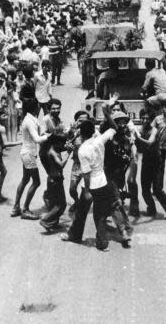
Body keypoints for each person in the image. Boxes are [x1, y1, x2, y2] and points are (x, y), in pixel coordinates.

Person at [61, 105, 132, 251]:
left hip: (90, 184)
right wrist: (107, 114)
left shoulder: (83, 150)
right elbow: (113, 128)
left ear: (81, 134)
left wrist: (87, 191)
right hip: (102, 181)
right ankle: (104, 242)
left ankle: (75, 235)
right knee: (102, 213)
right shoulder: (100, 140)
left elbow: (86, 173)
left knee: (82, 212)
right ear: (93, 131)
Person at [132, 108, 166, 220]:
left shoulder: (154, 130)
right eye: (143, 118)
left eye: (148, 118)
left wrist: (138, 138)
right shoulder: (138, 129)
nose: (145, 120)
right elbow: (136, 146)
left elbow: (150, 143)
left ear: (151, 119)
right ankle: (151, 209)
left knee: (157, 189)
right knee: (145, 190)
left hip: (156, 161)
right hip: (146, 161)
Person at [11, 98, 49, 219]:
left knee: (25, 179)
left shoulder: (30, 119)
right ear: (34, 108)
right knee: (36, 182)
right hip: (28, 154)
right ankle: (25, 209)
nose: (39, 108)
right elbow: (37, 139)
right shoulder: (29, 121)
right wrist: (49, 136)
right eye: (37, 106)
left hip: (26, 153)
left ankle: (16, 207)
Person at [39, 133, 69, 232]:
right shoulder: (53, 152)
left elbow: (62, 147)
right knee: (61, 204)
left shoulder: (48, 150)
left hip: (52, 179)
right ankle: (46, 220)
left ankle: (53, 223)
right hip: (56, 180)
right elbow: (60, 164)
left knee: (55, 203)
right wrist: (69, 153)